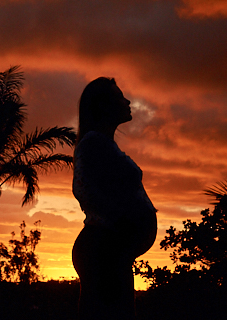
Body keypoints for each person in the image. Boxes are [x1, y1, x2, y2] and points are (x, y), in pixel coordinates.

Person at [72, 77, 157, 319]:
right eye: (119, 97)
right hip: (104, 251)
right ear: (103, 105)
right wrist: (123, 223)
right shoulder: (93, 143)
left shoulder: (103, 144)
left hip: (111, 251)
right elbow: (84, 190)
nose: (127, 101)